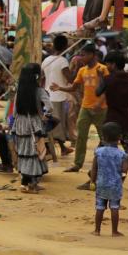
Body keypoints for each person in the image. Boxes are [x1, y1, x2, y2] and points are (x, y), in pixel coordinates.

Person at [52, 43, 108, 173]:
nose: (81, 58)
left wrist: (99, 103)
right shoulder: (82, 71)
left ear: (92, 55)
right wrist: (59, 88)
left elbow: (107, 88)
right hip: (85, 107)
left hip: (101, 109)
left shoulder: (102, 69)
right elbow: (73, 87)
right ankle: (77, 164)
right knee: (81, 136)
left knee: (104, 137)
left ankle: (104, 164)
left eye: (83, 55)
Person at [95, 51, 128, 191]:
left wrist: (100, 78)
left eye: (108, 64)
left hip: (111, 121)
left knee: (101, 151)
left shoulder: (107, 79)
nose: (106, 67)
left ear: (114, 64)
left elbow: (98, 92)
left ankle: (94, 178)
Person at [11, 63, 49, 193]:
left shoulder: (19, 91)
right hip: (34, 123)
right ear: (37, 76)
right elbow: (50, 106)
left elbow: (14, 112)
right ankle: (28, 184)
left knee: (25, 152)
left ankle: (28, 182)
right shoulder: (39, 91)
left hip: (20, 124)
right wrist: (45, 115)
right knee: (35, 152)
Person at [90, 122, 125, 237]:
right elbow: (124, 170)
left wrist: (92, 181)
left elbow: (94, 168)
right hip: (115, 184)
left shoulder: (99, 152)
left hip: (101, 184)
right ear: (119, 137)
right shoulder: (121, 154)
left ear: (103, 137)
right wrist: (122, 179)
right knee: (114, 207)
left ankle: (97, 230)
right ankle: (114, 231)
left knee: (100, 207)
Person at [42, 35, 74, 155]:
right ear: (65, 46)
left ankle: (62, 148)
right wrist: (75, 69)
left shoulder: (46, 60)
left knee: (51, 123)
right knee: (57, 125)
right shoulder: (62, 61)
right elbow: (70, 78)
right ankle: (55, 149)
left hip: (47, 96)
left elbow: (42, 77)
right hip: (58, 97)